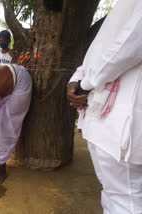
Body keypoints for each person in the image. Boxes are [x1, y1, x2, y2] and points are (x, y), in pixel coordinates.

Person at [67, 1, 142, 213]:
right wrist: (75, 80)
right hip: (103, 121)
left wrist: (84, 84)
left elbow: (128, 44)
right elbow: (97, 53)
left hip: (120, 121)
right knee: (112, 193)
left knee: (127, 199)